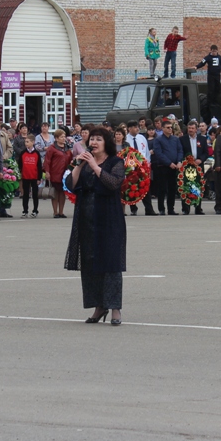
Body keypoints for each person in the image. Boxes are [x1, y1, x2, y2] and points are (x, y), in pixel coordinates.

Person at [64, 125, 127, 326]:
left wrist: (95, 166)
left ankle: (115, 307)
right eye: (92, 139)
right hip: (87, 216)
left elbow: (113, 183)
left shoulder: (116, 162)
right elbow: (71, 185)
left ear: (106, 143)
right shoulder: (84, 161)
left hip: (109, 217)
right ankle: (99, 306)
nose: (94, 143)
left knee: (110, 261)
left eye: (98, 139)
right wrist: (79, 166)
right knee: (90, 261)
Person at [152, 118, 184, 215]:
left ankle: (171, 208)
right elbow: (158, 153)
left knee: (172, 188)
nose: (170, 129)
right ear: (163, 128)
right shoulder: (158, 140)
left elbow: (180, 151)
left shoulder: (175, 139)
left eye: (171, 127)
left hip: (174, 167)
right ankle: (161, 208)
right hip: (163, 167)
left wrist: (179, 161)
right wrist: (169, 163)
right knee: (162, 188)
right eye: (168, 127)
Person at [179, 120, 208, 215]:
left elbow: (206, 153)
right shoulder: (182, 139)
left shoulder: (202, 139)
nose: (190, 130)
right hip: (186, 167)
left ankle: (198, 208)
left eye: (192, 128)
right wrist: (186, 160)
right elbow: (180, 152)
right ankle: (185, 208)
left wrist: (200, 159)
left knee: (198, 186)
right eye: (189, 128)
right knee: (186, 186)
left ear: (196, 129)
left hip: (198, 166)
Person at [44, 128, 73, 218]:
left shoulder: (67, 148)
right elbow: (47, 161)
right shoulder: (51, 148)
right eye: (61, 137)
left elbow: (70, 160)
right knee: (55, 192)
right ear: (56, 138)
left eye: (64, 137)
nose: (63, 138)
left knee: (62, 193)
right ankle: (55, 212)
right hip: (55, 173)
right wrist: (47, 172)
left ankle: (61, 212)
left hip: (65, 174)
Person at [195, 44, 221, 115]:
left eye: (215, 51)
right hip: (211, 75)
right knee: (211, 89)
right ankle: (210, 102)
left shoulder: (219, 57)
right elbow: (202, 63)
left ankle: (216, 101)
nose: (214, 53)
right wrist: (196, 67)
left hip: (217, 75)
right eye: (213, 51)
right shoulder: (208, 57)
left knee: (217, 88)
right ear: (211, 51)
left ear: (217, 51)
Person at [18, 131, 42, 218]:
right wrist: (20, 174)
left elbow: (39, 166)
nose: (26, 143)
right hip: (25, 177)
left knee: (35, 194)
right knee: (25, 194)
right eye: (25, 142)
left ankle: (35, 210)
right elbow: (20, 164)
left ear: (33, 142)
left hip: (34, 177)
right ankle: (25, 211)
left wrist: (39, 178)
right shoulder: (23, 153)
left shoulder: (36, 153)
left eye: (28, 142)